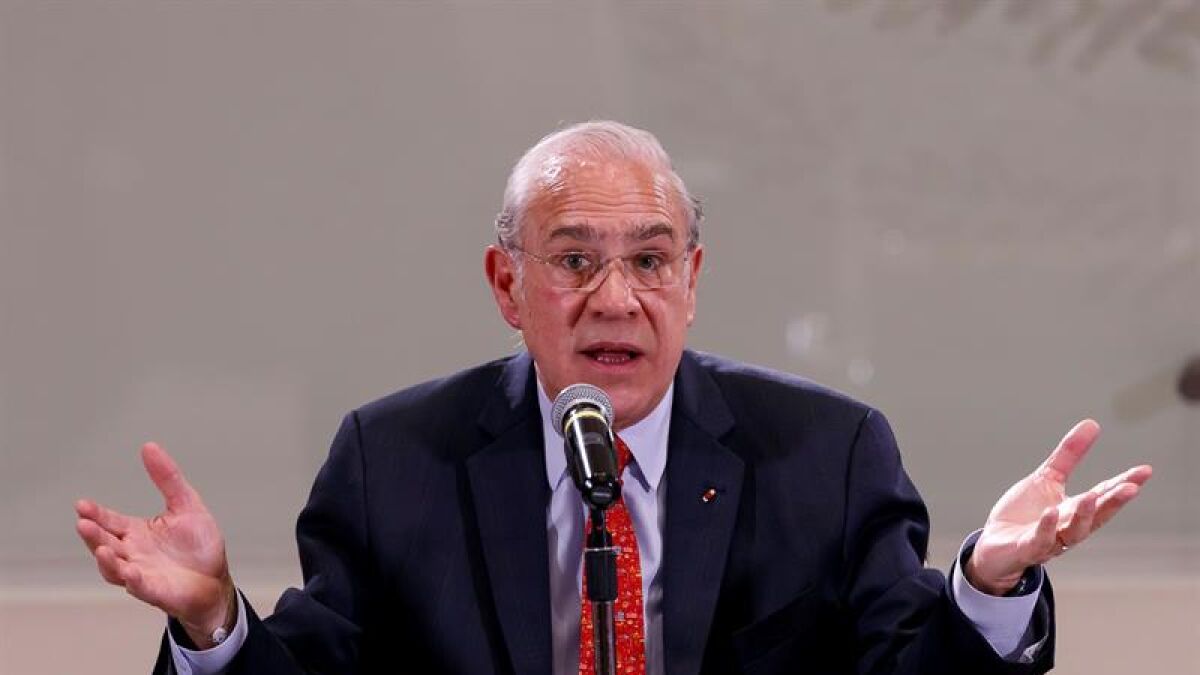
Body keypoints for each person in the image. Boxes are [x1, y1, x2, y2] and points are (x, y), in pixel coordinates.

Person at [75, 121, 1152, 674]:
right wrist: (213, 618)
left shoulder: (825, 452)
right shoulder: (393, 459)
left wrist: (987, 584)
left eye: (649, 259)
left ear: (693, 278)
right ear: (507, 285)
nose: (617, 298)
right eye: (574, 259)